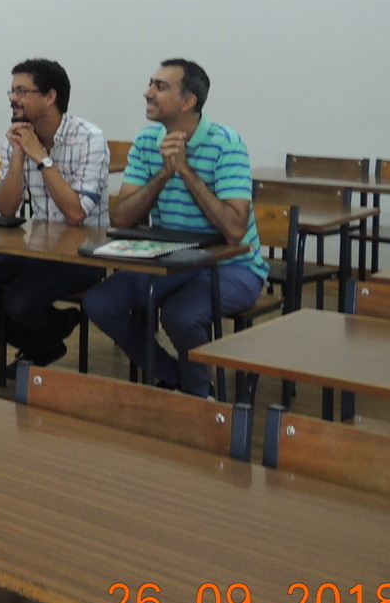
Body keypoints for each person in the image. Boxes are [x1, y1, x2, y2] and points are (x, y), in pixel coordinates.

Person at [83, 59, 267, 396]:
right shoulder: (147, 140)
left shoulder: (227, 143)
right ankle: (174, 376)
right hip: (173, 261)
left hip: (234, 266)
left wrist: (184, 170)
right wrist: (165, 173)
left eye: (160, 87)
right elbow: (121, 218)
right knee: (99, 302)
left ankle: (198, 398)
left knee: (180, 315)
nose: (147, 93)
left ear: (188, 101)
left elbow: (234, 231)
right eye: (150, 83)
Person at [0, 59, 109, 381]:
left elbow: (76, 214)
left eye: (22, 91)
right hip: (37, 246)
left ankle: (47, 335)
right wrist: (18, 156)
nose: (13, 98)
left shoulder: (89, 138)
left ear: (50, 96)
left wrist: (41, 157)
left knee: (19, 302)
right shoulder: (18, 135)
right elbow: (7, 210)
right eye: (12, 91)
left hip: (85, 251)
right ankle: (45, 340)